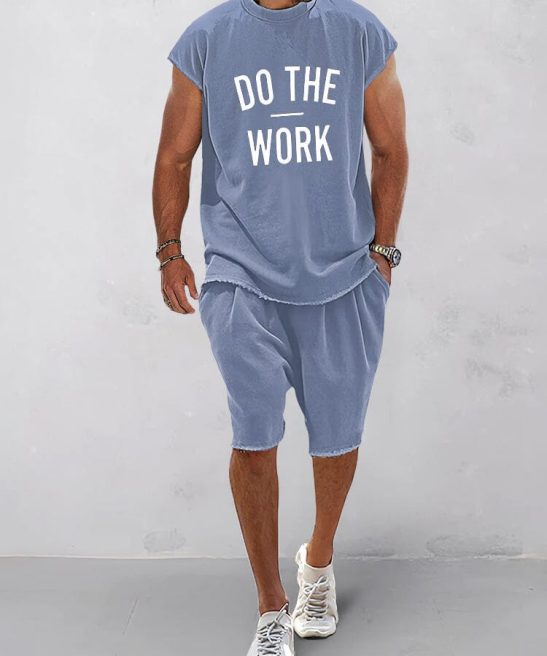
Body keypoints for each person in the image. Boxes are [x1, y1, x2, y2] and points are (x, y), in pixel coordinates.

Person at [152, 0, 408, 653]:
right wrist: (170, 251)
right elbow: (175, 155)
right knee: (254, 432)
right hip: (240, 273)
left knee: (337, 437)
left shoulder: (358, 31)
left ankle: (316, 562)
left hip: (344, 274)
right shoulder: (207, 39)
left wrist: (382, 253)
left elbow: (389, 148)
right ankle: (271, 607)